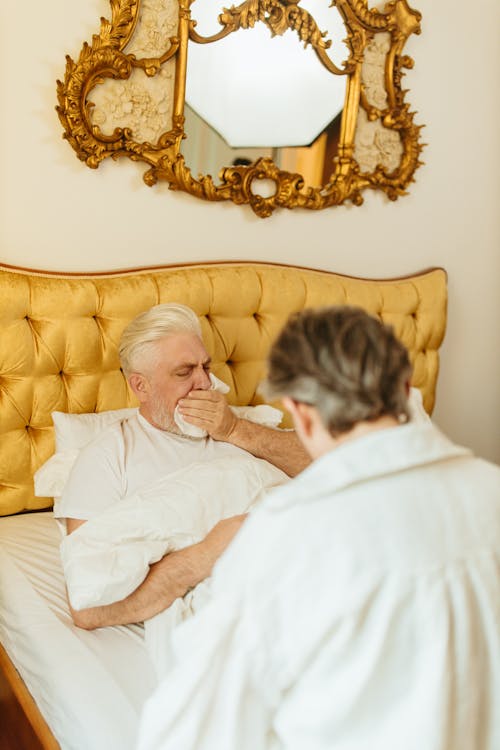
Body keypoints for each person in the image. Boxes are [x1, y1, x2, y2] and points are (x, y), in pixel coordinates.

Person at [136, 305, 500, 750]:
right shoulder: (491, 491)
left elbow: (195, 730)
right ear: (406, 389)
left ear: (300, 414)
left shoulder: (285, 537)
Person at [55, 303, 310, 630]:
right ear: (140, 387)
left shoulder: (237, 423)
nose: (205, 383)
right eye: (184, 372)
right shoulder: (108, 458)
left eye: (206, 366)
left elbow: (332, 466)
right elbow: (89, 608)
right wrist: (210, 552)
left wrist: (234, 430)